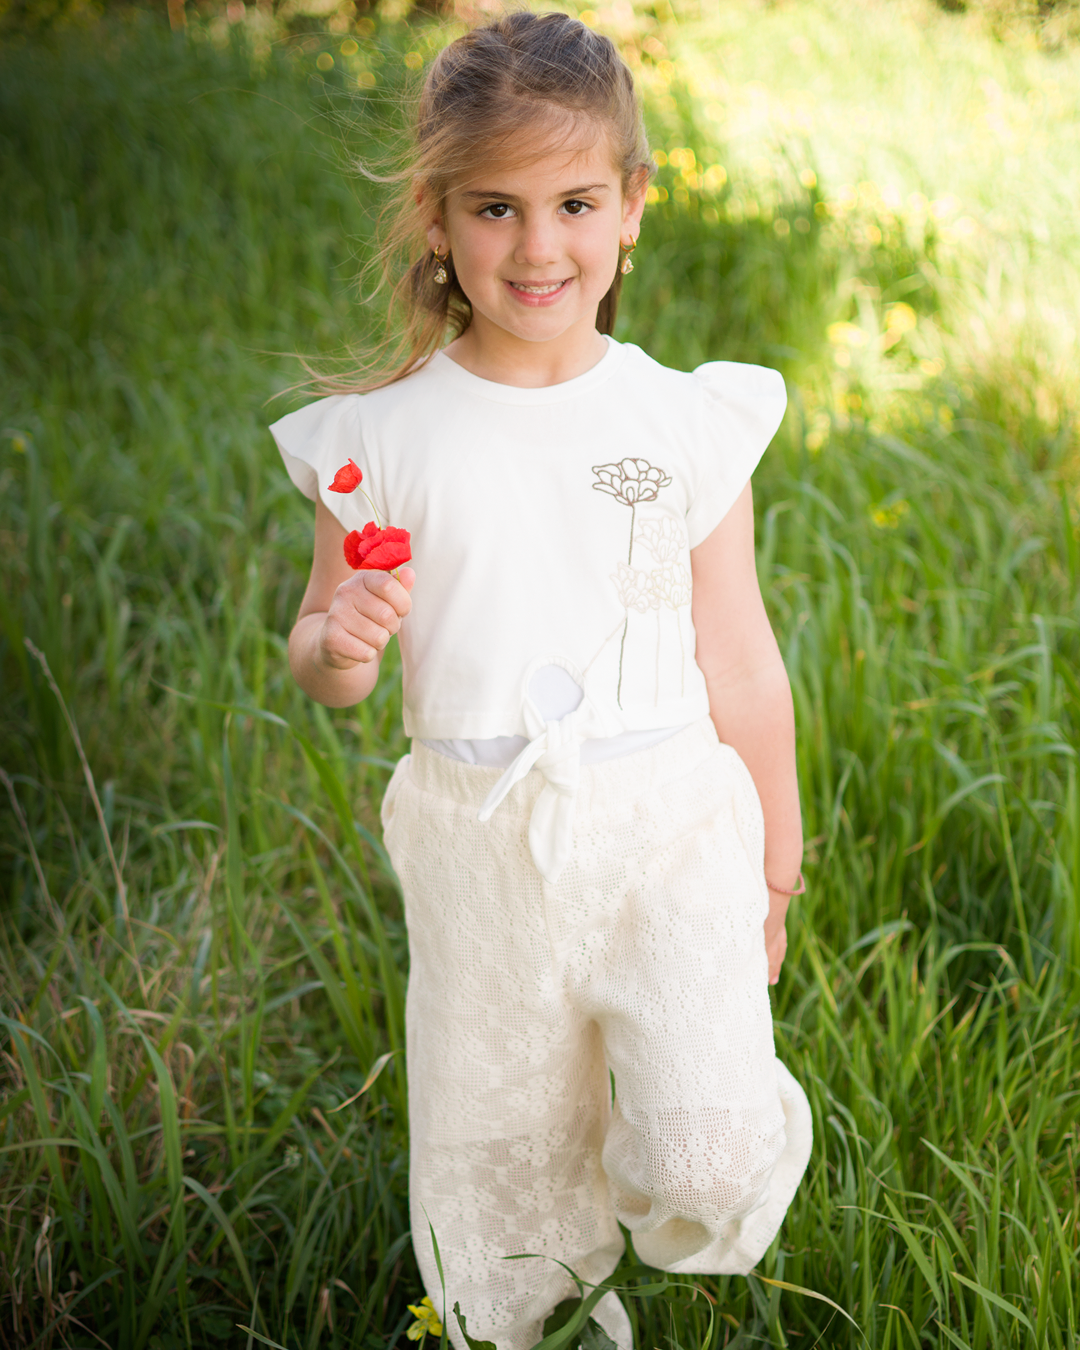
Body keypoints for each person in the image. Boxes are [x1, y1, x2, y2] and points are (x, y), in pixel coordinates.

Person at [271, 14, 812, 1349]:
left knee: (707, 1154)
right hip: (482, 842)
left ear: (630, 208)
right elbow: (321, 655)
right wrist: (340, 643)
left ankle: (677, 1134)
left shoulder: (680, 420)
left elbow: (741, 653)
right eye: (496, 208)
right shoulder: (383, 439)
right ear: (437, 218)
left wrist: (776, 866)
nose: (536, 246)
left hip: (669, 827)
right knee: (501, 1170)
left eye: (573, 203)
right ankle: (547, 1301)